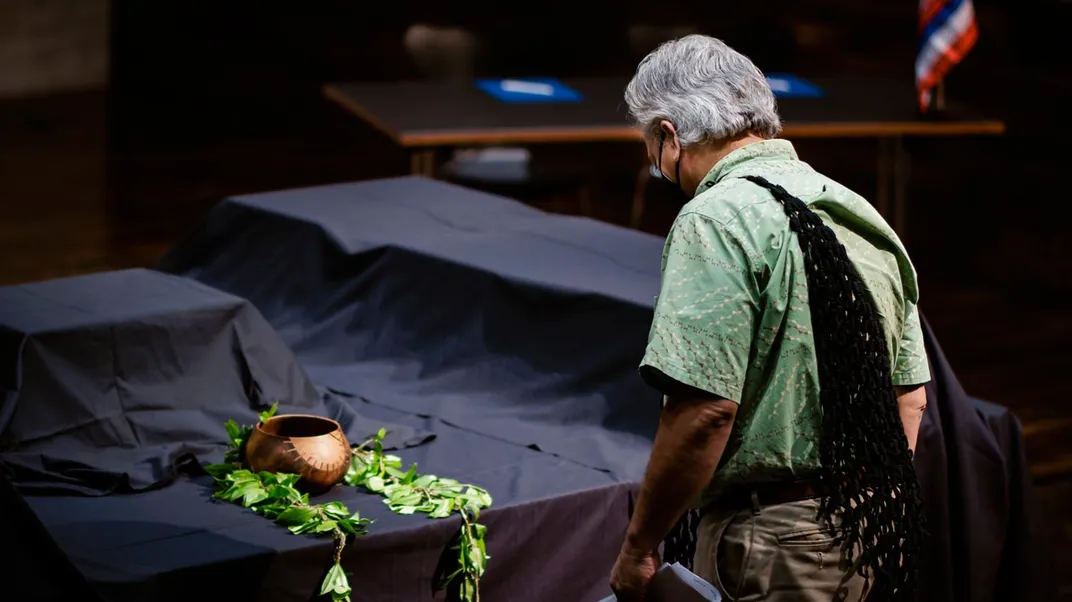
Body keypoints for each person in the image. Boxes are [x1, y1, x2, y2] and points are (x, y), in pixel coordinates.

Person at [609, 35, 931, 602]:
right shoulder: (860, 213)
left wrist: (639, 548)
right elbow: (910, 398)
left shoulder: (713, 217)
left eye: (650, 145)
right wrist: (857, 505)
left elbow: (706, 410)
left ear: (668, 134)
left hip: (768, 544)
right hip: (864, 528)